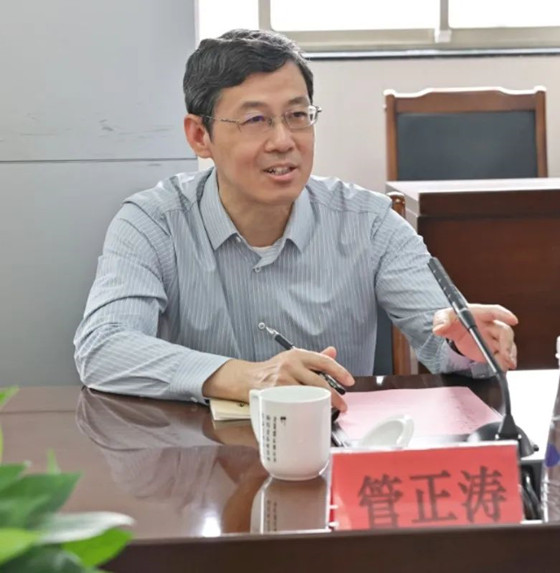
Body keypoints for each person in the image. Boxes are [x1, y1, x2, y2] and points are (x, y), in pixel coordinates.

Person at [74, 29, 518, 413]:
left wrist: (470, 344)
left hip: (333, 455)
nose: (283, 141)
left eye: (297, 116)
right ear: (199, 135)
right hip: (199, 458)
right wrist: (244, 377)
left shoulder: (369, 223)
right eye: (255, 120)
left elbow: (444, 337)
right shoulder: (153, 222)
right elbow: (103, 347)